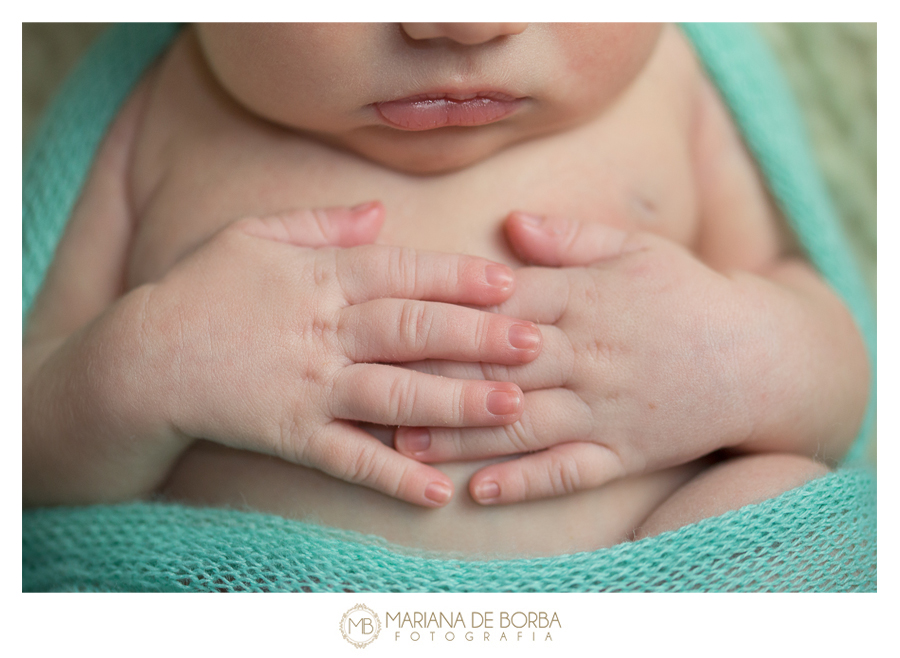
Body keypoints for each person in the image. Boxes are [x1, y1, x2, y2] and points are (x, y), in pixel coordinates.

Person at [22, 23, 869, 557]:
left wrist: (751, 354)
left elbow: (837, 380)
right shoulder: (158, 106)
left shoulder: (673, 81)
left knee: (793, 510)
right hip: (256, 595)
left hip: (657, 579)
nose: (459, 24)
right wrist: (151, 362)